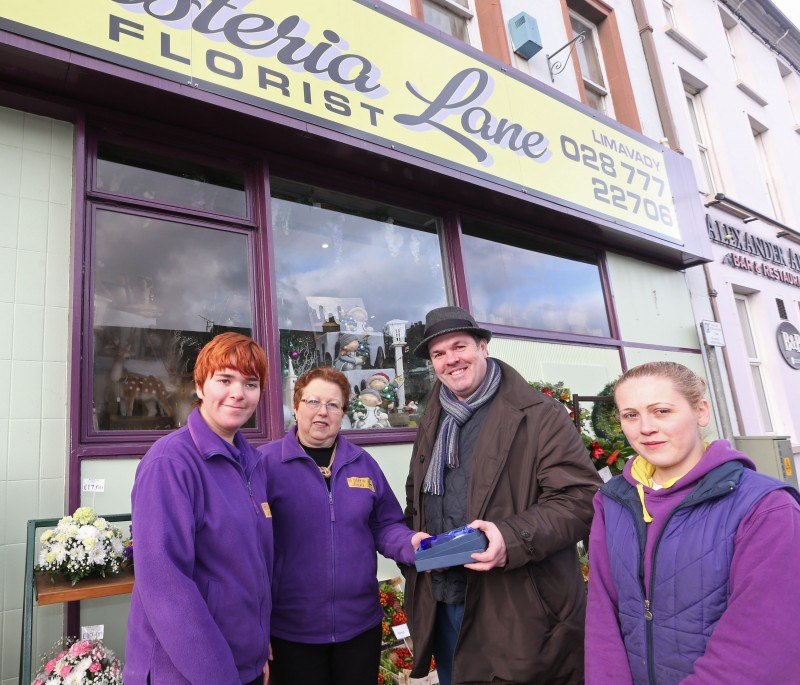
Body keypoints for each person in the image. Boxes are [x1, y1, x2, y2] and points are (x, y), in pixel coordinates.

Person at [403, 306, 602, 685]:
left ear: (483, 347)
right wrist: (416, 545)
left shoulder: (539, 414)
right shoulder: (434, 419)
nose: (450, 361)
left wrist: (509, 539)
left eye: (458, 347)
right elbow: (418, 501)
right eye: (438, 354)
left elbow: (580, 499)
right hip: (445, 601)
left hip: (517, 608)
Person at [585, 361, 800, 684]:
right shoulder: (612, 501)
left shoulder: (766, 507)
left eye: (661, 411)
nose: (645, 427)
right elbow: (603, 616)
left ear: (701, 412)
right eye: (631, 415)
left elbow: (761, 645)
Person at [259, 366, 428, 685]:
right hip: (291, 632)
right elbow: (247, 546)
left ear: (343, 413)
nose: (322, 412)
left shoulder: (362, 463)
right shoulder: (265, 465)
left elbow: (386, 524)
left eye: (333, 404)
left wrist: (411, 544)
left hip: (359, 628)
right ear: (296, 406)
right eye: (312, 401)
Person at [124, 332, 273, 685]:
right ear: (201, 386)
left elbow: (253, 566)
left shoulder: (251, 461)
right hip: (185, 673)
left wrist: (257, 647)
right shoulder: (170, 463)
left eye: (250, 383)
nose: (238, 393)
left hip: (241, 664)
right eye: (225, 380)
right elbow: (166, 587)